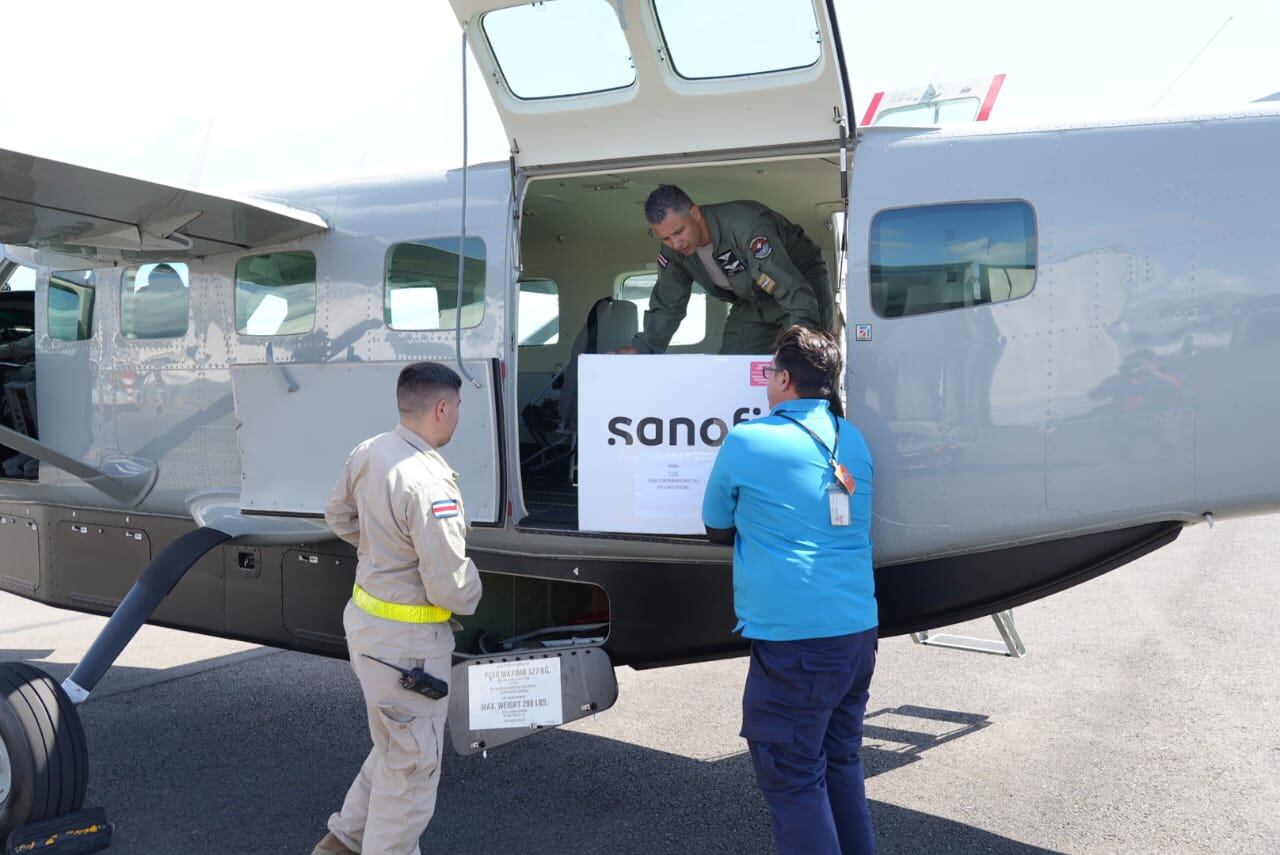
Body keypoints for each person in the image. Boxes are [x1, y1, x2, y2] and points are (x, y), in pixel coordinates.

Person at [701, 326, 878, 854]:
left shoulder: (748, 438)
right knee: (839, 759)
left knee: (793, 776)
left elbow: (715, 525)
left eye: (769, 375)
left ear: (782, 379)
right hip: (856, 632)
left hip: (796, 643)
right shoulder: (852, 439)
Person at [313, 362, 483, 855]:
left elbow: (337, 515)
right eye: (458, 410)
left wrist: (382, 553)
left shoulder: (371, 451)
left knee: (394, 747)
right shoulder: (429, 482)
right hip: (409, 648)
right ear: (443, 408)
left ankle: (342, 842)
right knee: (412, 772)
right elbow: (451, 588)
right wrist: (474, 586)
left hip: (370, 631)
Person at [616, 184, 836, 355]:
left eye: (679, 232)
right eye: (665, 238)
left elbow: (791, 289)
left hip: (801, 286)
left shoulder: (747, 226)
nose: (676, 243)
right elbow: (668, 303)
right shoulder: (674, 252)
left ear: (695, 213)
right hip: (752, 301)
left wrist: (803, 346)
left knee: (809, 368)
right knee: (732, 369)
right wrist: (643, 347)